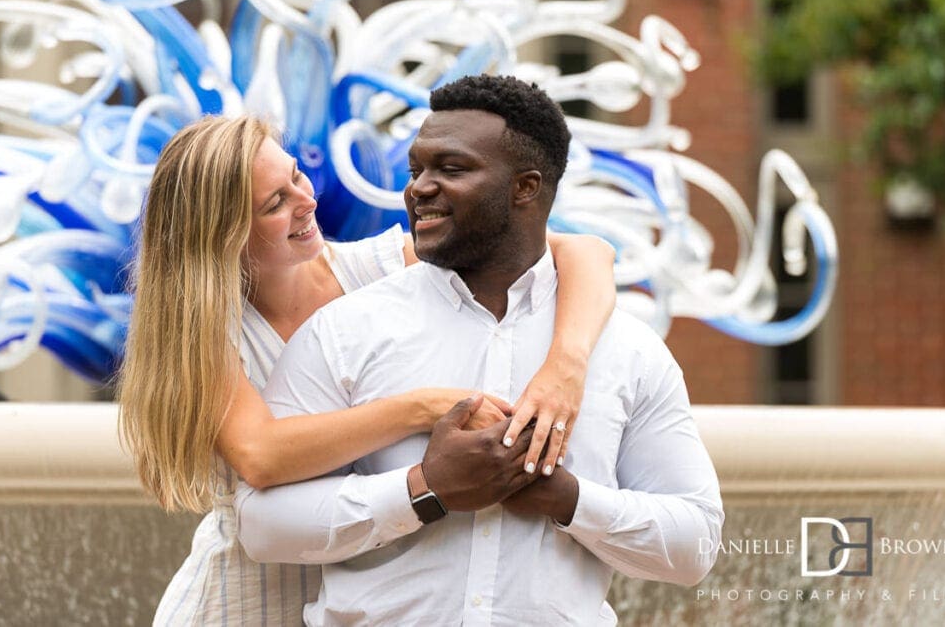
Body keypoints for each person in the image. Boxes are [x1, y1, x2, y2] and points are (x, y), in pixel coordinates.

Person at [235, 74, 724, 625]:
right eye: (417, 170)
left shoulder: (628, 351)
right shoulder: (343, 331)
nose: (419, 187)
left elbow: (697, 543)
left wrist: (566, 499)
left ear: (525, 187)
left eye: (452, 168)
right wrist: (425, 490)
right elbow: (261, 526)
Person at [117, 114, 618, 625]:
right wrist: (422, 407)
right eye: (276, 203)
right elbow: (261, 454)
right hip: (242, 603)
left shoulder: (376, 270)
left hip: (353, 601)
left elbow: (587, 252)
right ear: (223, 236)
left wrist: (565, 368)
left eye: (295, 176)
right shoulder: (204, 328)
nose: (306, 201)